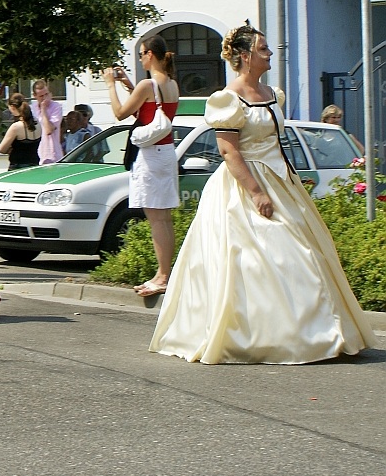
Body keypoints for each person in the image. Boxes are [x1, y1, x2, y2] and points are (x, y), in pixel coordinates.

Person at [149, 23, 375, 364]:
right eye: (263, 49)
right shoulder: (227, 98)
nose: (269, 53)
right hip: (244, 185)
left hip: (281, 181)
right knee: (260, 259)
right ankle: (266, 336)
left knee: (306, 254)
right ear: (245, 56)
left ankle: (317, 333)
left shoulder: (273, 93)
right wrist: (256, 192)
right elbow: (229, 152)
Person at [103, 35, 179, 298]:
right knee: (163, 216)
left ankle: (163, 275)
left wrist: (111, 85)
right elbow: (150, 111)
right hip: (166, 151)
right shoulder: (170, 83)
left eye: (141, 53)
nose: (140, 58)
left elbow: (121, 113)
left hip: (151, 154)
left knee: (156, 217)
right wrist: (128, 85)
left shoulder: (148, 84)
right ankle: (163, 273)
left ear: (150, 55)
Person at [0, 93, 40, 170]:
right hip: (34, 165)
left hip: (18, 166)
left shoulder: (16, 127)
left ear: (12, 107)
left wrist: (10, 149)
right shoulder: (38, 123)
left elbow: (1, 149)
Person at [30, 79, 63, 164]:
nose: (45, 98)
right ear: (35, 96)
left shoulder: (56, 107)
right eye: (41, 96)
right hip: (36, 154)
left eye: (46, 94)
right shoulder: (32, 109)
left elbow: (49, 130)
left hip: (52, 154)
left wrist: (43, 110)